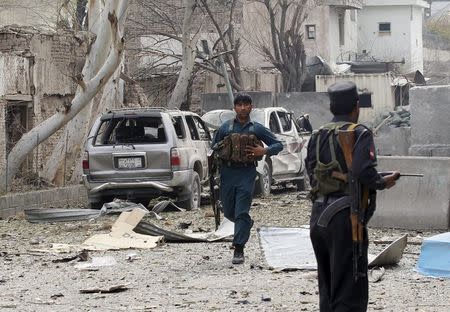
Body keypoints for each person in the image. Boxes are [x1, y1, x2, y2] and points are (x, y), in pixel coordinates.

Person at [305, 81, 400, 311]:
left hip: (318, 216)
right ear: (356, 106)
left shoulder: (317, 134)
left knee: (328, 287)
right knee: (350, 289)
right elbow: (361, 171)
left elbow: (311, 170)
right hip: (345, 218)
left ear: (332, 107)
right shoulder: (359, 132)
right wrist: (381, 182)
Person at [211, 93, 282, 265]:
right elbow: (213, 146)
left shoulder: (256, 129)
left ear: (251, 107)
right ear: (234, 108)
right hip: (227, 173)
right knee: (229, 211)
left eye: (246, 104)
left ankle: (239, 249)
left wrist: (263, 151)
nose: (242, 108)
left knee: (241, 210)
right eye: (239, 105)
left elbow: (278, 145)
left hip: (246, 173)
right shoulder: (225, 128)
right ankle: (246, 224)